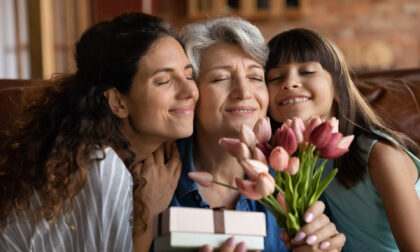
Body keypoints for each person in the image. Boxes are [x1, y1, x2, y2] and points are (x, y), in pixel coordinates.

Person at [0, 12, 198, 252]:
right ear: (117, 101)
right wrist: (148, 215)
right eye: (164, 81)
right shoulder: (100, 167)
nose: (190, 90)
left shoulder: (93, 155)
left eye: (189, 75)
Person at [167, 17, 345, 252]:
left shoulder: (294, 179)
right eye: (221, 78)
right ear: (192, 93)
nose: (243, 92)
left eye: (255, 78)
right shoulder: (154, 178)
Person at [266, 28, 420, 251]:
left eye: (307, 71)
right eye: (275, 77)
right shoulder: (290, 161)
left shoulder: (380, 155)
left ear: (338, 87)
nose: (289, 83)